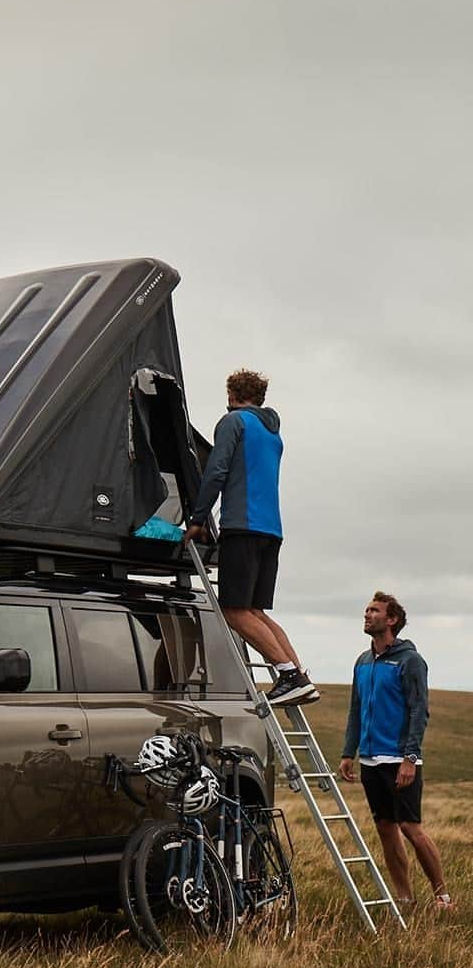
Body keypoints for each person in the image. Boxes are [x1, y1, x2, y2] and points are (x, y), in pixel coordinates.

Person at [183, 368, 315, 706]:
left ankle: (288, 674)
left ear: (231, 394)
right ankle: (299, 675)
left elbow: (216, 470)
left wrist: (198, 519)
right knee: (254, 610)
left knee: (234, 610)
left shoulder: (234, 422)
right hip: (272, 530)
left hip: (242, 526)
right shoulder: (272, 432)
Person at [339, 592, 453, 910]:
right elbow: (355, 709)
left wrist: (410, 758)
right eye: (366, 609)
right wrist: (349, 752)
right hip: (370, 760)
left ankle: (443, 896)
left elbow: (419, 711)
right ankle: (404, 898)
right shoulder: (362, 661)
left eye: (374, 610)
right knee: (386, 828)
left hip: (399, 759)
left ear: (392, 620)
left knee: (410, 827)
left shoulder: (410, 661)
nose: (367, 614)